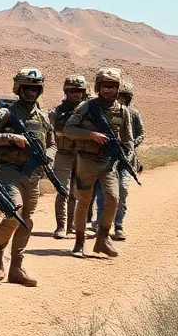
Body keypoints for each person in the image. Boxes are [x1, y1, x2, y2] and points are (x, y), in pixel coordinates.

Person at [0, 68, 55, 287]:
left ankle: (16, 268)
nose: (31, 92)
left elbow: (53, 144)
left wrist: (48, 156)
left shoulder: (43, 117)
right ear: (18, 88)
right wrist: (11, 137)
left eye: (35, 89)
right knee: (15, 212)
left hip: (32, 174)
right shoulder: (6, 114)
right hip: (9, 170)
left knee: (27, 220)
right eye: (26, 88)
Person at [60, 66, 131, 259]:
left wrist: (126, 155)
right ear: (98, 86)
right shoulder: (87, 107)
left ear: (118, 87)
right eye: (104, 86)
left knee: (113, 199)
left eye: (112, 86)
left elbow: (128, 140)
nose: (108, 90)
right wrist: (91, 135)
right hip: (87, 161)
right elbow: (68, 129)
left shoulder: (122, 111)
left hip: (108, 163)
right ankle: (79, 242)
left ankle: (103, 239)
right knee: (84, 201)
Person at [96, 77, 145, 239]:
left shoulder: (133, 114)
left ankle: (118, 226)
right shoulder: (104, 112)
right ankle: (101, 224)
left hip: (126, 161)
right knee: (103, 193)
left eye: (124, 97)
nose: (121, 99)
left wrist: (129, 145)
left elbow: (141, 134)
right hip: (105, 159)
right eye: (119, 96)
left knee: (122, 191)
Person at [49, 75, 88, 238]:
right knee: (62, 190)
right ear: (66, 92)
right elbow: (51, 132)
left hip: (82, 155)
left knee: (77, 193)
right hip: (63, 154)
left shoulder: (89, 110)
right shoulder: (57, 112)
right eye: (72, 91)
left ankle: (71, 225)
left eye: (79, 91)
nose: (76, 94)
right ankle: (61, 226)